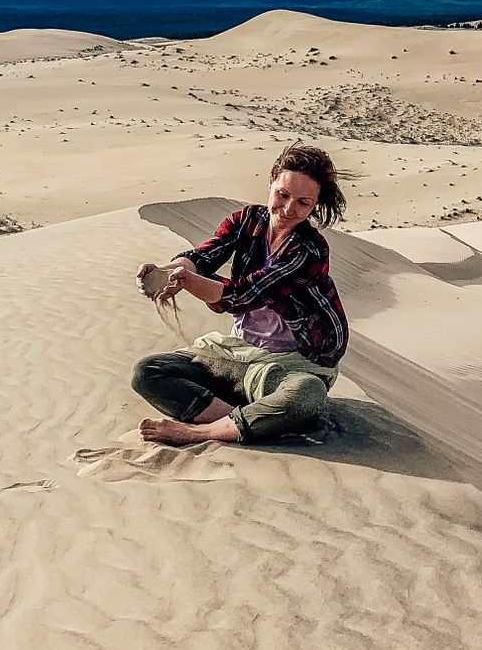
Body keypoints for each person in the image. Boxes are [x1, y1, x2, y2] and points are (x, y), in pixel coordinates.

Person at [131, 143, 348, 447]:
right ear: (271, 182)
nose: (288, 209)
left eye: (303, 203)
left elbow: (244, 295)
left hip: (295, 364)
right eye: (282, 195)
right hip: (239, 354)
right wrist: (167, 272)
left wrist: (186, 281)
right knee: (147, 373)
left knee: (306, 395)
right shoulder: (246, 221)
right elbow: (203, 257)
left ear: (315, 205)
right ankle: (246, 419)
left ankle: (201, 432)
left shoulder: (309, 250)